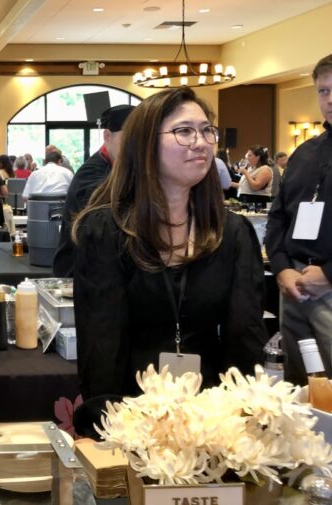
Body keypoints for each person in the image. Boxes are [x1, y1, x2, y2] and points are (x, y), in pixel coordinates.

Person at [71, 88, 267, 437]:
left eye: (207, 130)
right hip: (130, 412)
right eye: (184, 131)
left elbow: (245, 337)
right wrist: (113, 425)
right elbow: (101, 341)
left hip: (212, 416)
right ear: (146, 144)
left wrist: (243, 419)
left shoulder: (232, 232)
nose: (201, 142)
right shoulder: (106, 230)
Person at [265, 53, 332, 386]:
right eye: (323, 91)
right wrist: (282, 268)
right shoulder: (305, 153)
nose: (330, 99)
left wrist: (329, 275)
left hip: (330, 291)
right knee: (297, 388)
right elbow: (277, 218)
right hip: (293, 288)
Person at [53, 104, 134, 277]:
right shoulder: (90, 173)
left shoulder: (125, 168)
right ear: (107, 137)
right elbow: (114, 212)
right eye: (129, 138)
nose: (135, 147)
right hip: (79, 273)